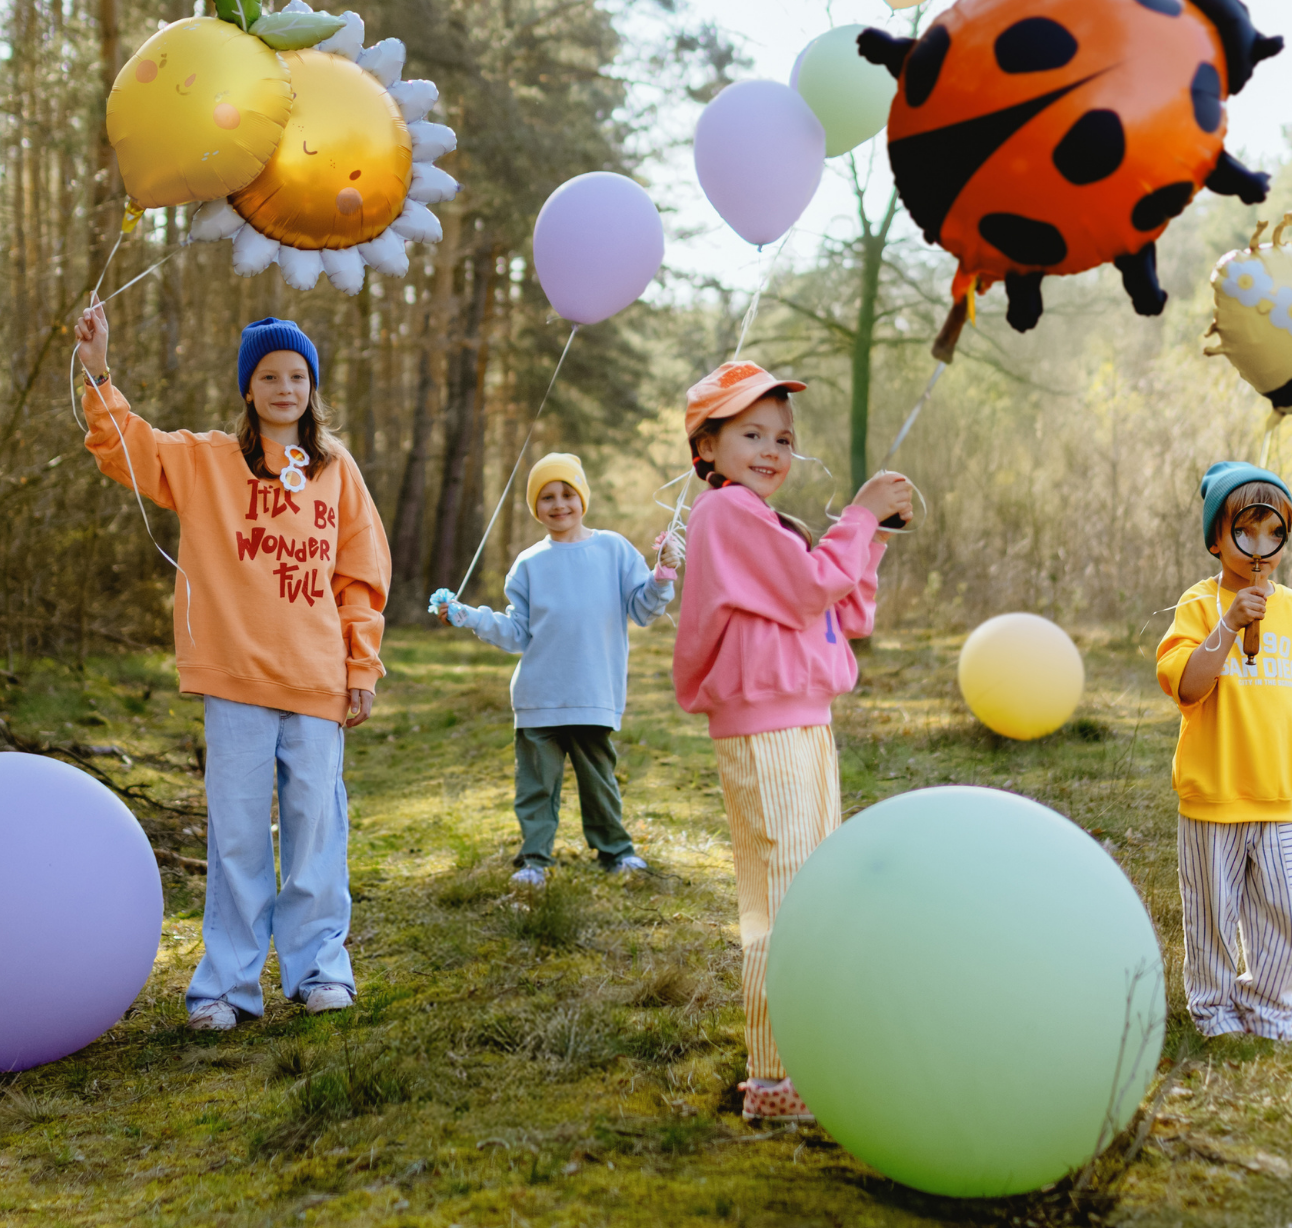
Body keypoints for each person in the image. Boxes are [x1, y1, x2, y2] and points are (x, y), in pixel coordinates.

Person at [76, 306, 389, 1032]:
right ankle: (225, 987)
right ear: (249, 389)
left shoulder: (338, 472)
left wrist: (361, 668)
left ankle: (319, 972)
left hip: (316, 683)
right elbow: (130, 449)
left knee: (316, 832)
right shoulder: (208, 460)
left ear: (313, 388)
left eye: (298, 376)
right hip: (235, 682)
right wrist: (99, 371)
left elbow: (361, 576)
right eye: (270, 376)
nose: (285, 388)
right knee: (239, 837)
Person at [670, 361, 912, 1122]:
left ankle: (813, 1048)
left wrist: (867, 536)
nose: (772, 449)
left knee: (817, 886)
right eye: (750, 434)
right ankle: (774, 1078)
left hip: (806, 719)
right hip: (764, 725)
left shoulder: (773, 525)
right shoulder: (726, 514)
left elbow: (845, 612)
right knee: (781, 896)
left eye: (783, 437)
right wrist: (859, 518)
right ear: (705, 448)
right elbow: (812, 588)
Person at [1155, 461, 1292, 1042]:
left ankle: (1268, 1012)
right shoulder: (1198, 604)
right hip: (1215, 794)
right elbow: (1188, 685)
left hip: (1281, 797)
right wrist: (1230, 624)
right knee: (1212, 912)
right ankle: (1213, 1012)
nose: (1259, 547)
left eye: (1273, 532)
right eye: (1246, 531)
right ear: (1217, 539)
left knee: (1277, 916)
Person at [430, 452, 676, 884]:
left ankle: (616, 851)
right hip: (538, 696)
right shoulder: (529, 563)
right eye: (546, 497)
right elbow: (517, 633)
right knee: (536, 787)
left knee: (599, 781)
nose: (559, 504)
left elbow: (643, 610)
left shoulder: (614, 549)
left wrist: (661, 576)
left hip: (594, 693)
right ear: (535, 507)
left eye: (567, 493)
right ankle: (535, 861)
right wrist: (468, 615)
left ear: (582, 497)